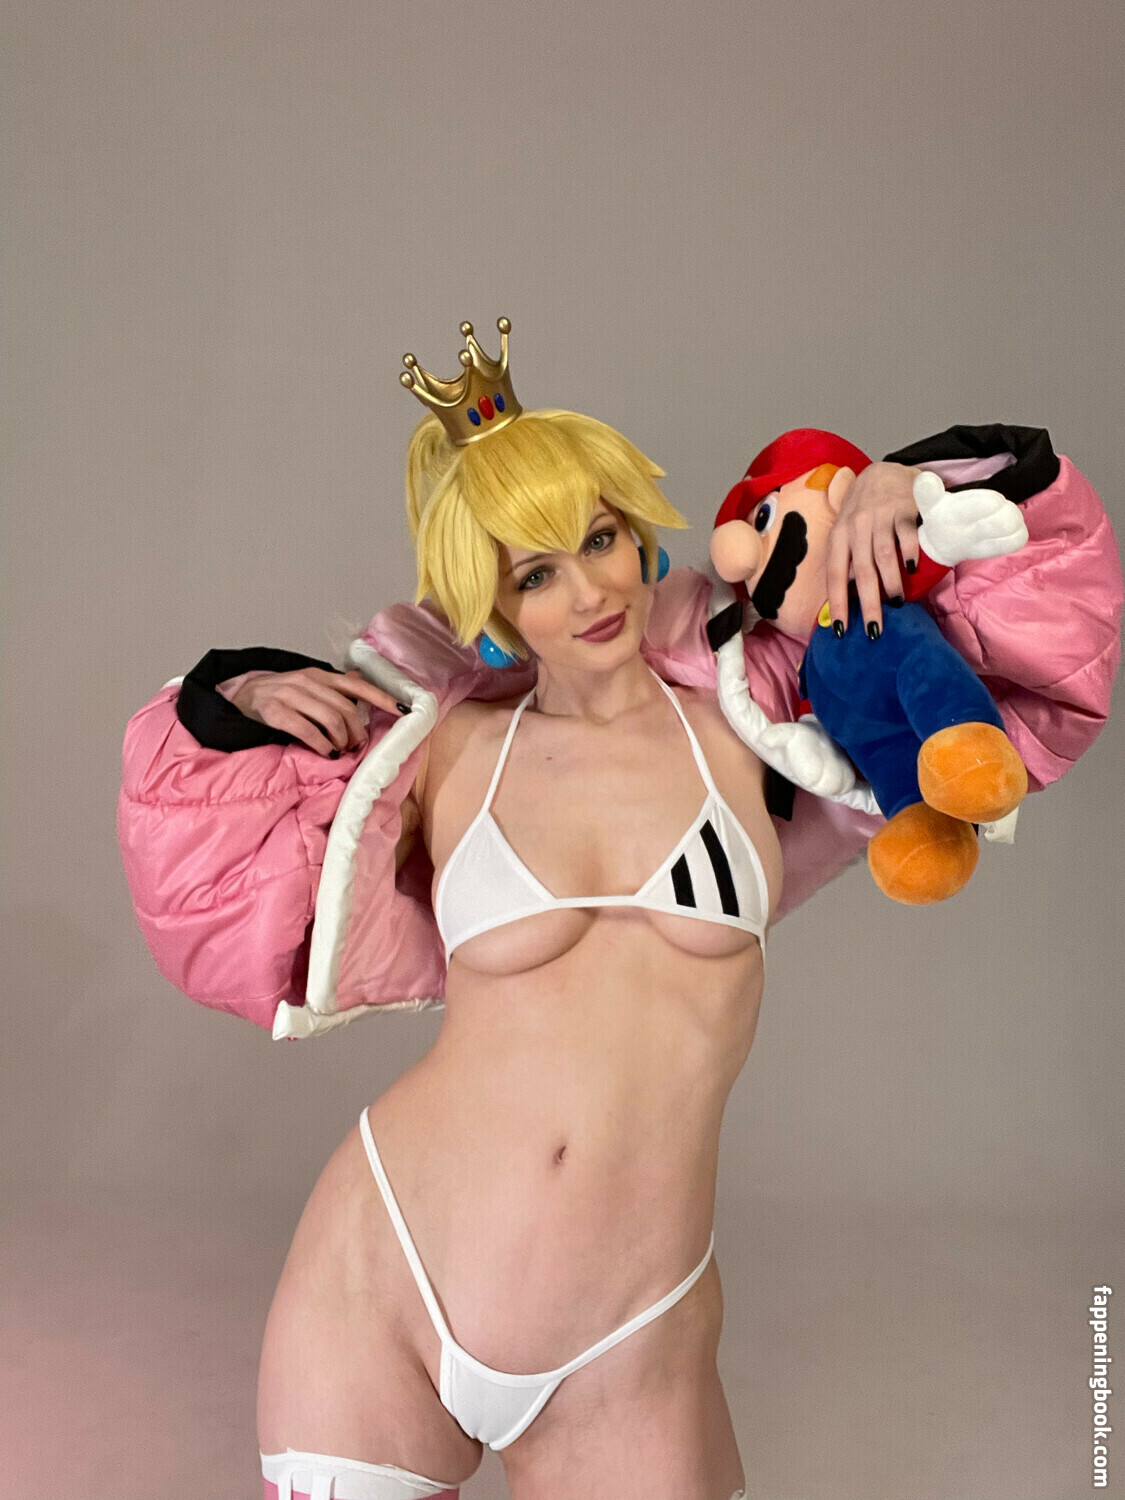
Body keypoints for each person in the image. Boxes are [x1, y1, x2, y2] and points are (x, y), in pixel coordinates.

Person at [117, 322, 1122, 1500]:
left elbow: (1039, 622)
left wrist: (903, 488)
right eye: (535, 574)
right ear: (493, 605)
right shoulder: (439, 747)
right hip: (383, 1269)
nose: (589, 591)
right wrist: (242, 689)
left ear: (639, 532)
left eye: (599, 539)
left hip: (631, 1333)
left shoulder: (762, 714)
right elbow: (195, 868)